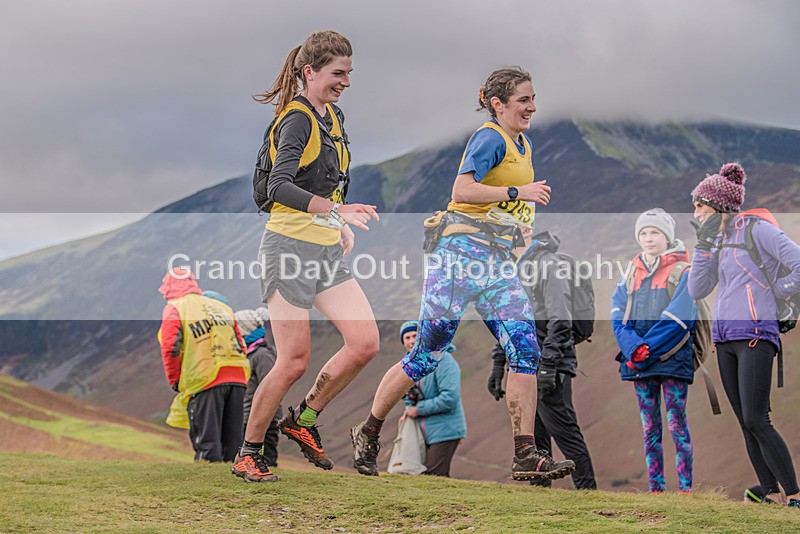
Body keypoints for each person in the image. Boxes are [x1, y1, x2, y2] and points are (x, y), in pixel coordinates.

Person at [350, 67, 575, 482]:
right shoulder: (489, 137)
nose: (532, 106)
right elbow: (462, 191)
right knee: (426, 355)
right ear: (497, 103)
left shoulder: (521, 143)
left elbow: (496, 203)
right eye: (523, 99)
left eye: (533, 98)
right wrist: (517, 193)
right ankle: (368, 432)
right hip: (458, 255)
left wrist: (515, 227)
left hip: (495, 261)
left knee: (525, 348)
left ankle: (525, 454)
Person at [233, 30, 381, 483]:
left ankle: (303, 420)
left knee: (365, 344)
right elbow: (278, 187)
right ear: (309, 72)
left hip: (324, 250)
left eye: (349, 73)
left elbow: (324, 181)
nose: (346, 82)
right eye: (338, 73)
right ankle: (249, 453)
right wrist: (337, 211)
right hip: (288, 251)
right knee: (293, 361)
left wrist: (335, 225)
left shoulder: (332, 116)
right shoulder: (296, 119)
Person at [688, 163, 800, 507]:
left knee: (756, 417)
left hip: (756, 333)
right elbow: (697, 289)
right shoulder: (716, 240)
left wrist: (775, 291)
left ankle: (794, 494)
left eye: (700, 205)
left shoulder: (755, 230)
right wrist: (702, 248)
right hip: (725, 340)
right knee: (744, 421)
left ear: (720, 205)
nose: (695, 211)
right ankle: (768, 494)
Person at [488, 231, 597, 490]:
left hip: (552, 363)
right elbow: (511, 322)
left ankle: (589, 494)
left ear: (523, 233)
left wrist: (549, 365)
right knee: (535, 436)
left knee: (565, 432)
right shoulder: (516, 268)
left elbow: (561, 319)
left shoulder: (549, 265)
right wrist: (498, 364)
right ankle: (540, 494)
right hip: (526, 364)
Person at [611, 209, 696, 493]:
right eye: (644, 233)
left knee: (676, 426)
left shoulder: (683, 271)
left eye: (655, 233)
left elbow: (680, 318)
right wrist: (634, 348)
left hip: (671, 361)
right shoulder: (630, 272)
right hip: (640, 362)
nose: (648, 239)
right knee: (650, 430)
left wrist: (645, 349)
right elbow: (617, 314)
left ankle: (685, 491)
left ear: (667, 237)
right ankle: (655, 490)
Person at [158, 268, 250, 463]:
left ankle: (211, 489)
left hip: (205, 377)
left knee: (207, 442)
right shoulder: (220, 307)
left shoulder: (176, 308)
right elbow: (240, 342)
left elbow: (170, 346)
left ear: (168, 287)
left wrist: (175, 380)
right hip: (238, 375)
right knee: (233, 442)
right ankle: (237, 486)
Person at [399, 321, 466, 477]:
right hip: (424, 431)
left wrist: (418, 409)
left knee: (434, 476)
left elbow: (449, 398)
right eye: (407, 337)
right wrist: (409, 409)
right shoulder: (410, 364)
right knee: (431, 476)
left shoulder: (444, 361)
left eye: (415, 336)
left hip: (446, 430)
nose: (411, 341)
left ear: (424, 337)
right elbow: (408, 394)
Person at [235, 307, 281, 467]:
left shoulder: (261, 355)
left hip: (264, 417)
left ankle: (269, 487)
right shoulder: (252, 353)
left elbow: (273, 386)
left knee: (266, 458)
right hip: (251, 416)